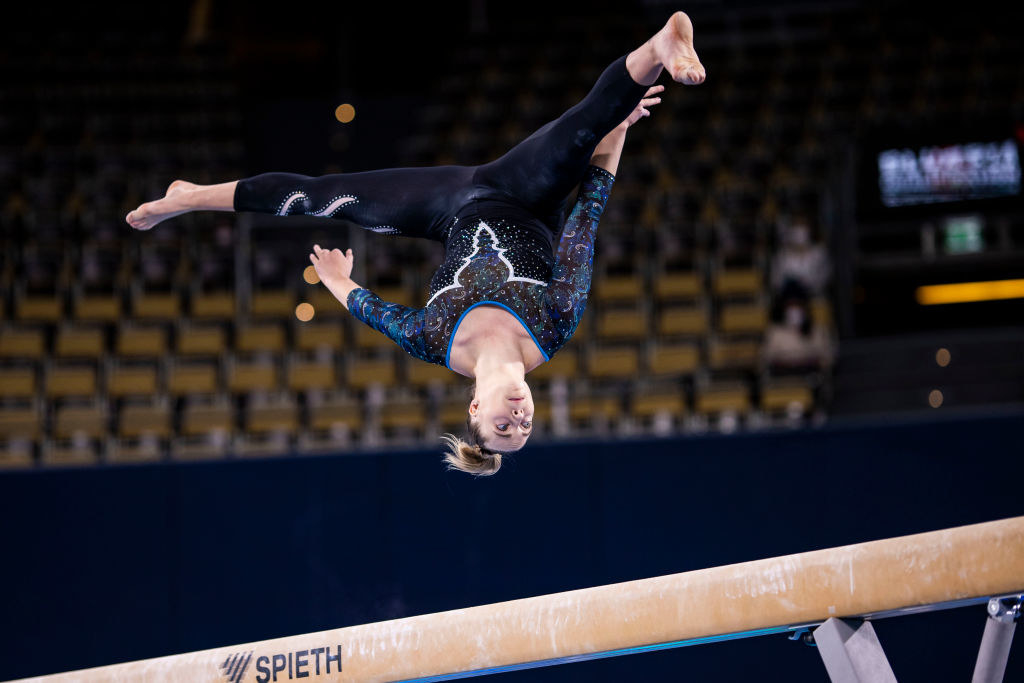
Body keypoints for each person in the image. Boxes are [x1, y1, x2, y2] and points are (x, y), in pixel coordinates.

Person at [126, 12, 706, 474]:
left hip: (445, 209)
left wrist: (336, 282)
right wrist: (610, 136)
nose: (520, 420)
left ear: (475, 409)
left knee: (324, 196)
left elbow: (377, 313)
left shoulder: (436, 344)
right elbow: (587, 216)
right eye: (525, 428)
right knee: (587, 123)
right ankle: (661, 44)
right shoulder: (555, 325)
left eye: (504, 429)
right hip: (526, 195)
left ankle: (189, 196)